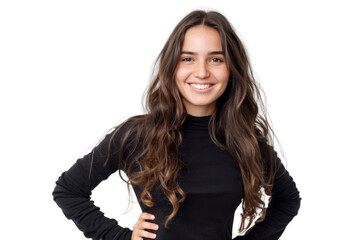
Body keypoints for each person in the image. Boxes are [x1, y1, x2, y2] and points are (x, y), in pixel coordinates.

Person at [52, 10, 301, 240]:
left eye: (215, 59)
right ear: (172, 66)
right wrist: (121, 237)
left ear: (231, 68)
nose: (202, 72)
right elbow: (68, 190)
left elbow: (288, 201)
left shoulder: (246, 141)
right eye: (188, 59)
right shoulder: (136, 136)